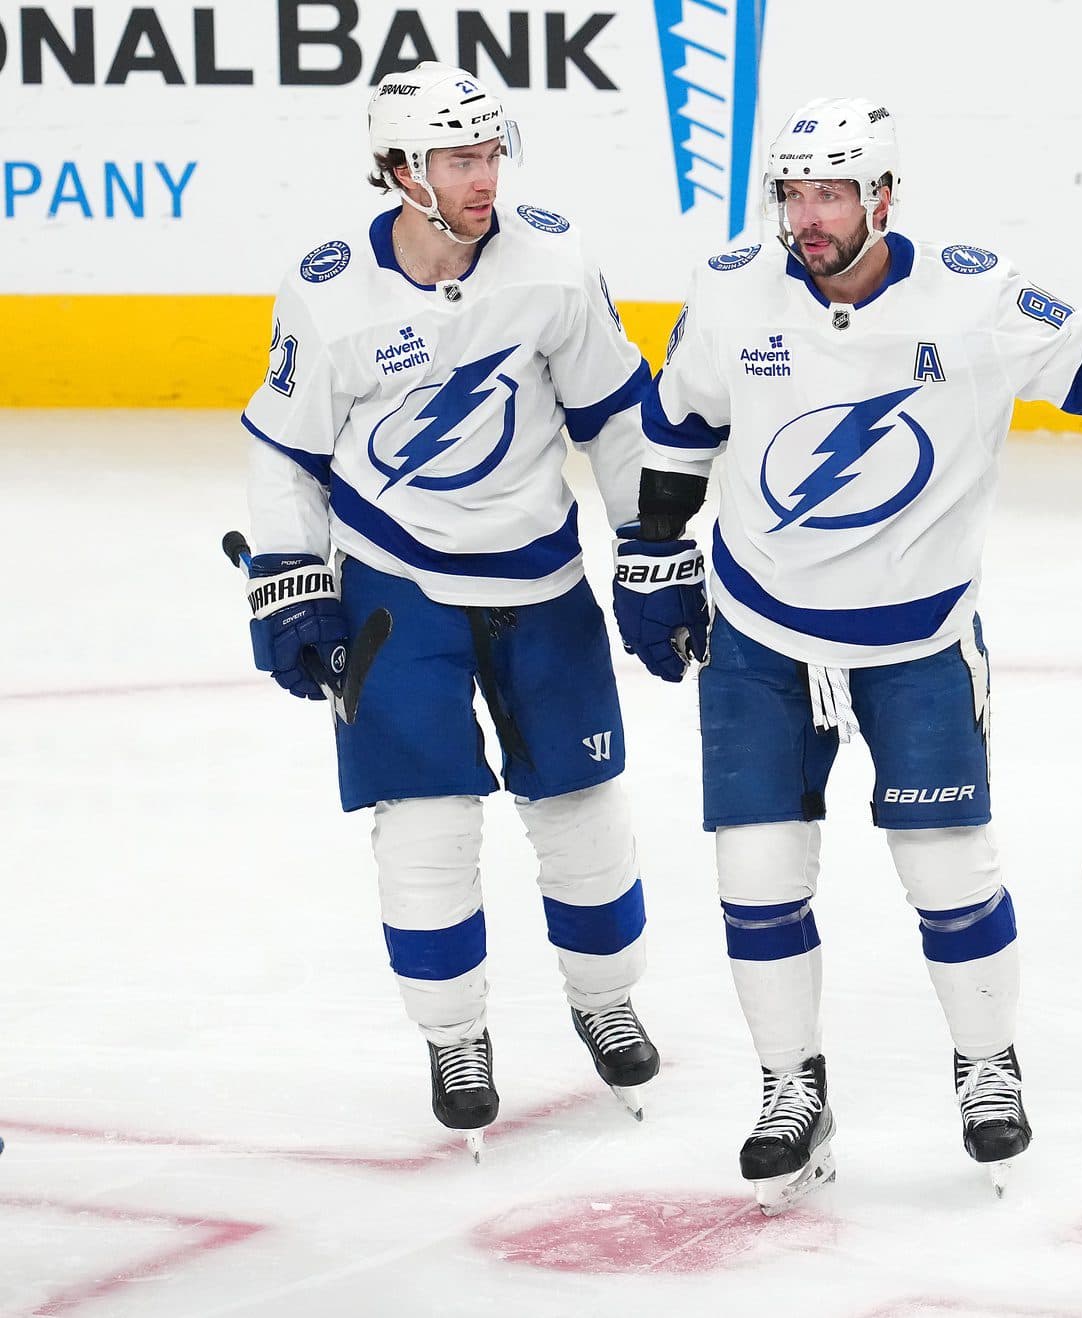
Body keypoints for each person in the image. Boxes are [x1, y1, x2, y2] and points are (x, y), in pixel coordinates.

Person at [611, 96, 1082, 1211]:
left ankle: (987, 1061)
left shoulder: (974, 292)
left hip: (916, 640)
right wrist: (653, 549)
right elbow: (682, 424)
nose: (808, 217)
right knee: (756, 879)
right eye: (792, 193)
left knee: (947, 874)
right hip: (760, 634)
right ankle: (794, 1088)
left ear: (884, 197)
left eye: (831, 193)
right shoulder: (735, 287)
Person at [237, 62, 662, 1156]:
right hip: (395, 584)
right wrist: (291, 579)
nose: (486, 178)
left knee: (582, 814)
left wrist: (653, 543)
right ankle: (454, 1034)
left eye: (491, 153)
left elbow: (617, 412)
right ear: (399, 172)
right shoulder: (329, 288)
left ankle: (605, 998)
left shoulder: (556, 259)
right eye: (460, 160)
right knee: (424, 827)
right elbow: (285, 449)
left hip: (540, 579)